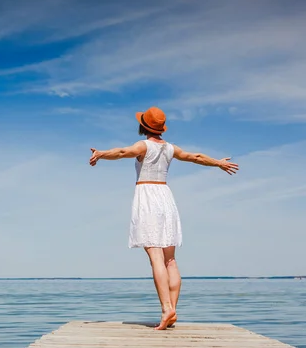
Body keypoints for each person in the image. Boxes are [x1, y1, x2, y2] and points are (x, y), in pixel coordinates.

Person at [89, 106, 239, 330]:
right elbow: (195, 157)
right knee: (171, 259)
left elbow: (121, 152)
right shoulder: (170, 148)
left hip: (147, 196)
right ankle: (173, 311)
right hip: (166, 197)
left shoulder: (143, 145)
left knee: (156, 257)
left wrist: (101, 154)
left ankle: (166, 309)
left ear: (143, 126)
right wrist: (218, 162)